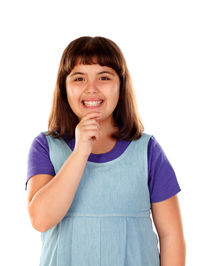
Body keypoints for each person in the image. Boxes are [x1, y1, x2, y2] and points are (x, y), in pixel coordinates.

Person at [25, 36, 186, 266]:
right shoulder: (45, 147)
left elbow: (172, 237)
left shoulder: (147, 151)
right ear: (64, 87)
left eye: (104, 77)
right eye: (79, 78)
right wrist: (80, 152)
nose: (91, 88)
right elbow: (40, 219)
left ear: (120, 85)